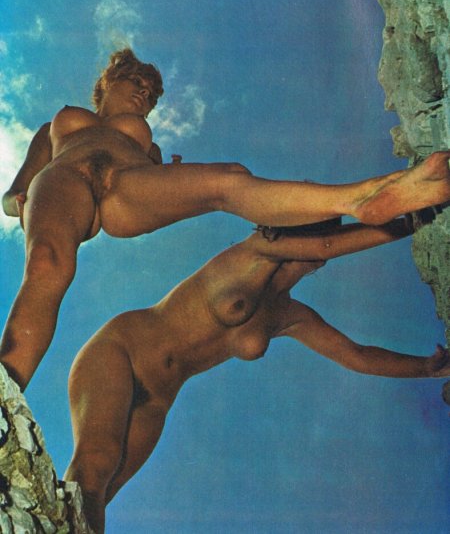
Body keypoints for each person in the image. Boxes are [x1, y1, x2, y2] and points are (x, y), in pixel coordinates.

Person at [2, 48, 450, 391]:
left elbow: (163, 184)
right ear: (107, 82)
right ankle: (8, 386)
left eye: (152, 94)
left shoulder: (148, 146)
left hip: (127, 189)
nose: (144, 94)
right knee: (47, 263)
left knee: (228, 178)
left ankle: (361, 199)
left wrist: (171, 174)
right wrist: (17, 201)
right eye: (136, 82)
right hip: (63, 182)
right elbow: (14, 192)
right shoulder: (59, 125)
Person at [63, 218, 450, 533]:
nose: (320, 255)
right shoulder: (253, 253)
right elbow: (326, 243)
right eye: (319, 242)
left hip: (158, 400)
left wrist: (427, 367)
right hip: (122, 352)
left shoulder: (288, 316)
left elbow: (356, 356)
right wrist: (411, 222)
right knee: (95, 465)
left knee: (95, 501)